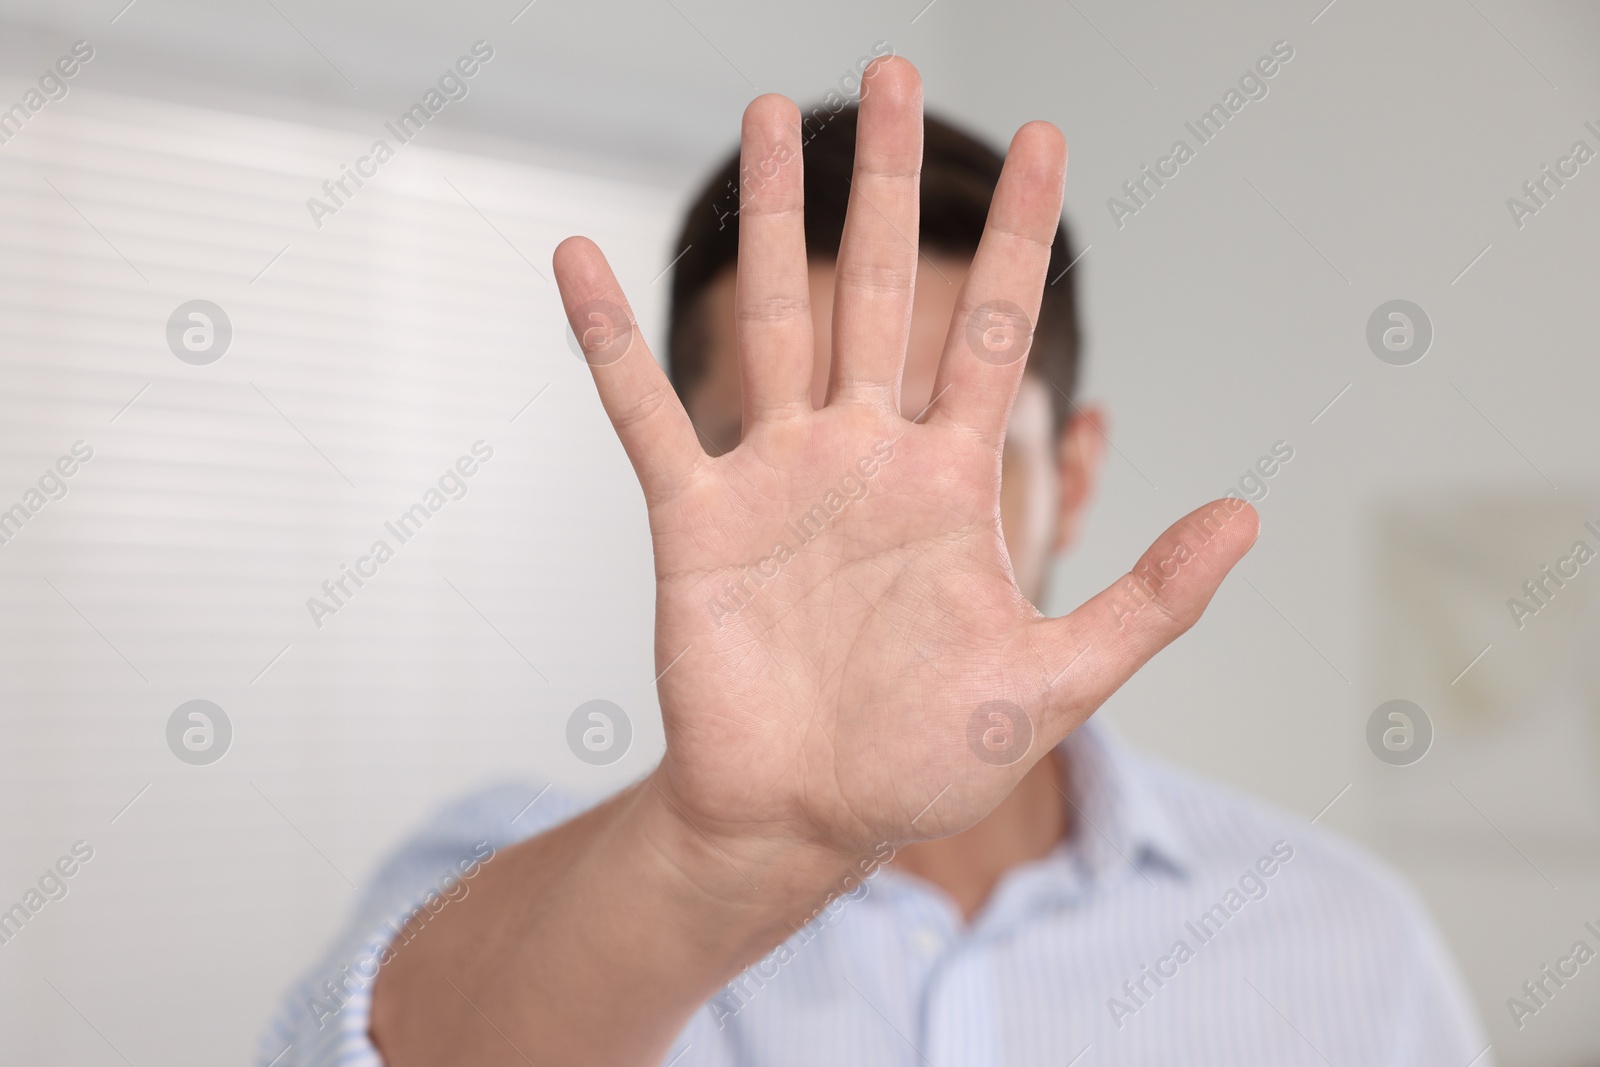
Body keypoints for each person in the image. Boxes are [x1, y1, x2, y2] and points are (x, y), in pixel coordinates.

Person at [261, 57, 1487, 1066]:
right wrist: (710, 857)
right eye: (780, 453)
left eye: (949, 449)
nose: (870, 536)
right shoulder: (506, 883)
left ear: (1073, 470)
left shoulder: (1348, 943)